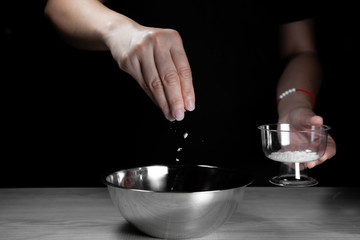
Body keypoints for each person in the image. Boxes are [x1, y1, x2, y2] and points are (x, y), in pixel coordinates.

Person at [44, 0, 336, 176]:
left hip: (249, 171)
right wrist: (117, 30)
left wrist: (294, 104)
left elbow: (300, 50)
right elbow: (60, 6)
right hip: (118, 159)